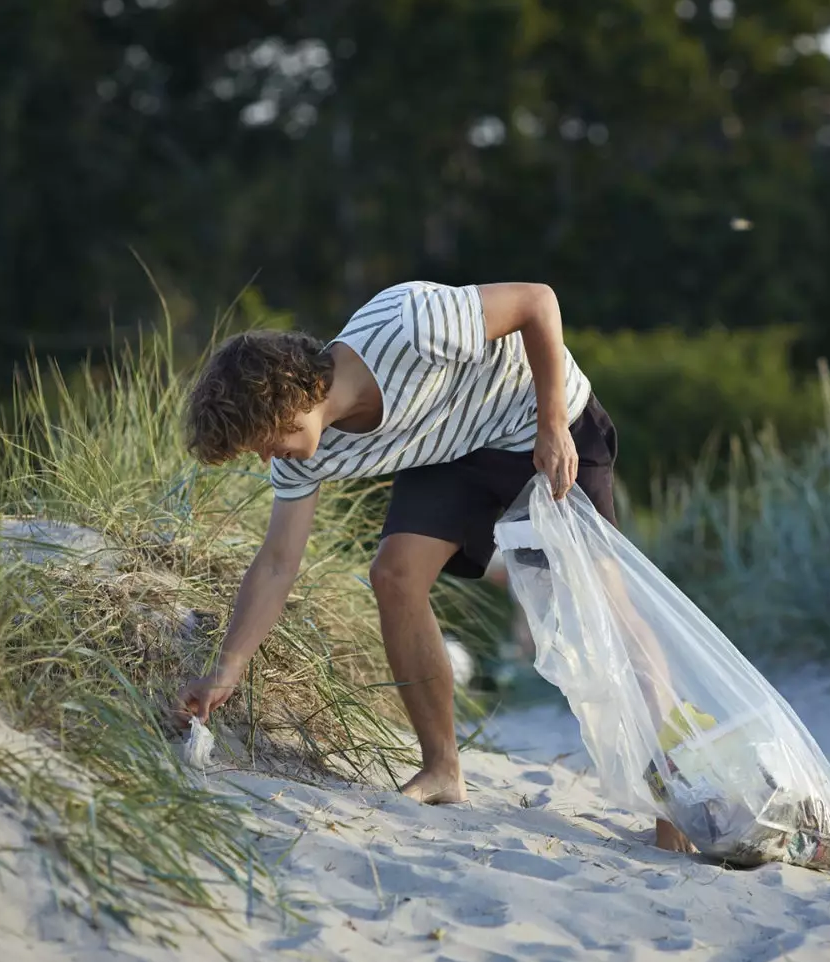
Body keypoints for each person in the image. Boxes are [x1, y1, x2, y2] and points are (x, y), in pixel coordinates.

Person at [173, 280, 693, 853]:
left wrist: (551, 425)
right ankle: (443, 767)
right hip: (451, 450)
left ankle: (676, 803)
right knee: (394, 574)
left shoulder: (410, 325)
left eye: (265, 439)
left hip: (540, 414)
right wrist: (227, 668)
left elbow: (536, 302)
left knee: (604, 608)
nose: (269, 457)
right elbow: (276, 565)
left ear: (289, 394)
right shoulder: (306, 455)